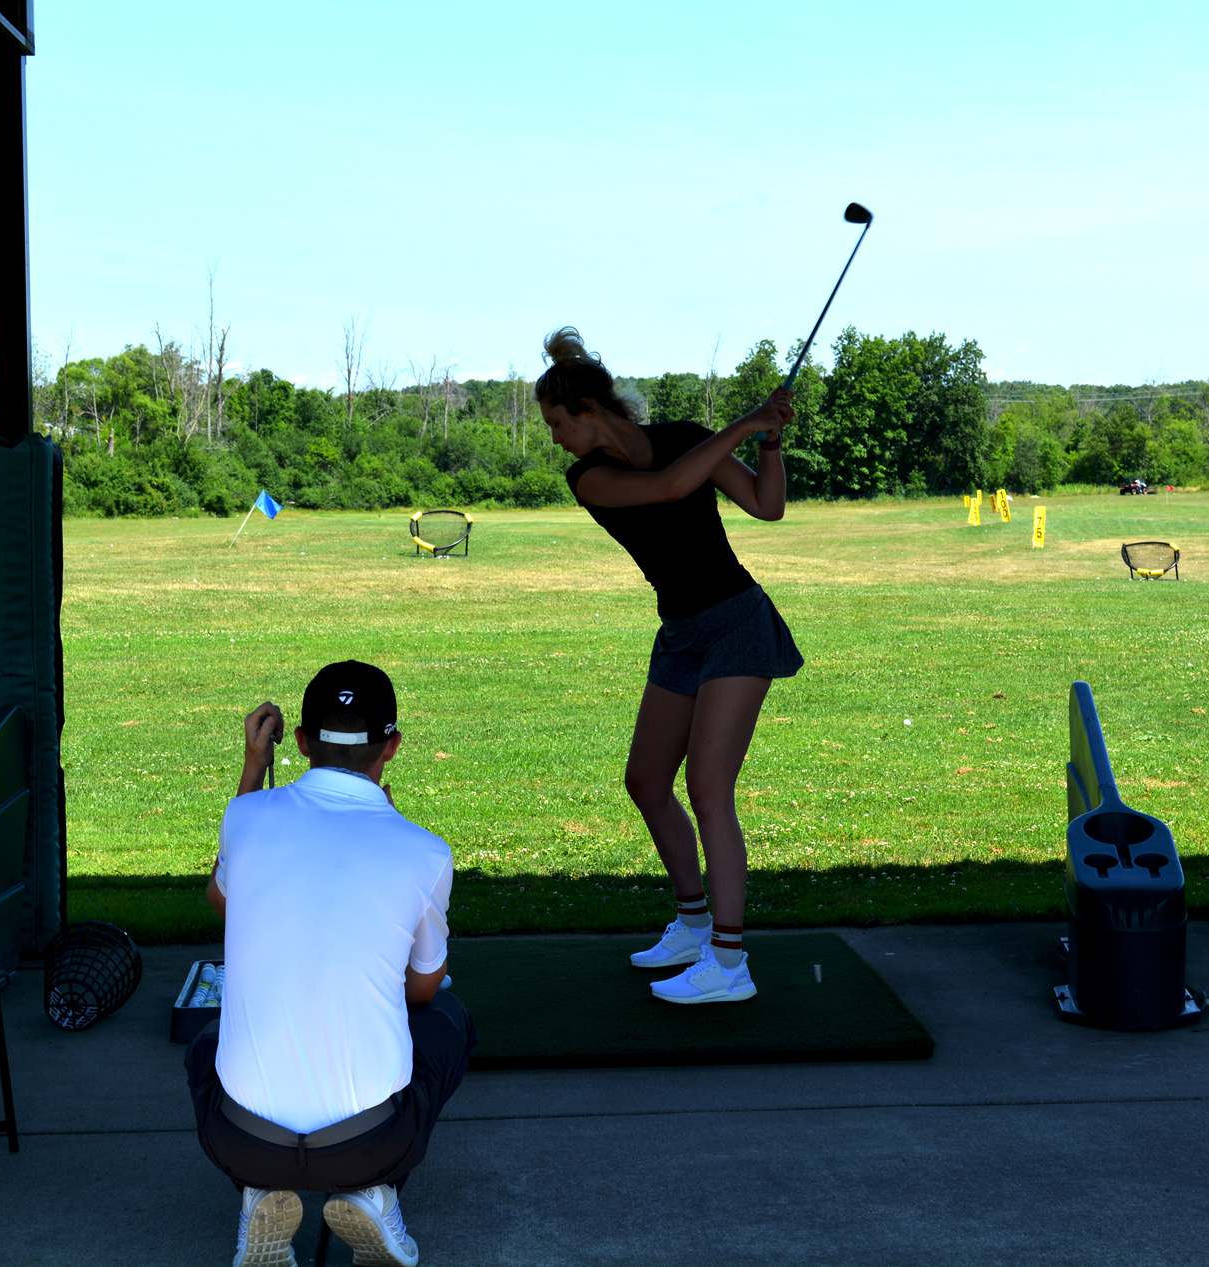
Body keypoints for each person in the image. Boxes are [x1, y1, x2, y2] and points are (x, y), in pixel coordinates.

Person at [535, 327, 802, 1005]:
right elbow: (669, 487)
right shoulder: (590, 477)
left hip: (738, 621)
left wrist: (768, 440)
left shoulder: (687, 435)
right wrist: (744, 421)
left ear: (589, 410)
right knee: (647, 780)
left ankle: (729, 961)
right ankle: (692, 923)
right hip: (682, 631)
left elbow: (766, 506)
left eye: (559, 422)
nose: (555, 437)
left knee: (710, 788)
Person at [187, 660, 475, 1267]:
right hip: (366, 1145)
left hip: (242, 1141)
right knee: (448, 1021)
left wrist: (252, 770)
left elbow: (223, 897)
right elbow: (422, 990)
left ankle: (257, 1196)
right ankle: (377, 1194)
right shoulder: (424, 851)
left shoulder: (246, 814)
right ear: (391, 747)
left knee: (202, 1045)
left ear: (298, 742)